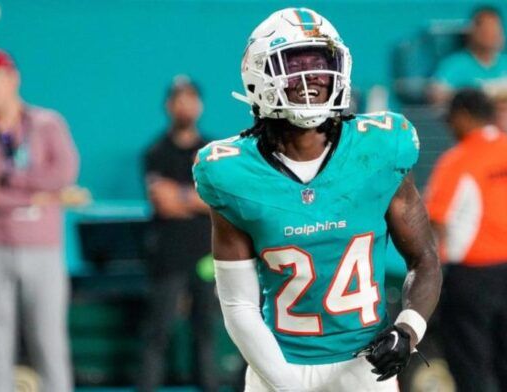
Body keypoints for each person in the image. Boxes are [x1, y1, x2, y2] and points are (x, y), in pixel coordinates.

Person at [192, 8, 441, 391]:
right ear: (260, 74)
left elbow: (424, 259)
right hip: (276, 362)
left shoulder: (380, 148)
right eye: (294, 64)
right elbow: (238, 305)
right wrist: (285, 384)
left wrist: (408, 329)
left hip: (364, 369)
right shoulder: (230, 172)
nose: (311, 78)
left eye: (320, 64)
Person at [424, 88, 507, 392]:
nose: (449, 127)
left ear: (463, 117)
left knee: (470, 364)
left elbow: (435, 219)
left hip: (472, 277)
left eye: (451, 120)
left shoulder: (458, 160)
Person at [0, 49, 78, 392]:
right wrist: (35, 195)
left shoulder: (46, 123)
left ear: (12, 79)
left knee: (49, 341)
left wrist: (8, 180)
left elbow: (64, 173)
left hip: (43, 250)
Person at [138, 76, 218, 391]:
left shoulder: (214, 152)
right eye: (178, 99)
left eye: (191, 98)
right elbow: (162, 203)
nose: (185, 105)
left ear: (199, 105)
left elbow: (217, 202)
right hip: (168, 258)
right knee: (157, 332)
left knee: (206, 332)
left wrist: (182, 197)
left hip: (208, 256)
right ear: (168, 106)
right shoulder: (155, 153)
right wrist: (197, 198)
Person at [428, 7, 507, 104]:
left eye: (495, 30)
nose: (492, 35)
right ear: (473, 32)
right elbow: (437, 94)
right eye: (486, 30)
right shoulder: (455, 64)